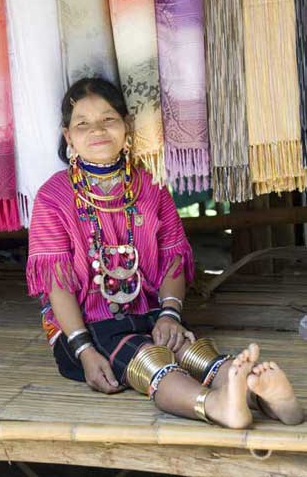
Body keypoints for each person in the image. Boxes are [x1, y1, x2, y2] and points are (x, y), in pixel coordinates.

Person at [27, 77, 304, 428]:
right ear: (68, 136)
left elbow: (173, 259)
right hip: (87, 329)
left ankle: (264, 396)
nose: (96, 129)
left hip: (150, 314)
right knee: (152, 362)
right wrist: (84, 351)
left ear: (126, 126)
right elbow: (57, 284)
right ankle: (217, 406)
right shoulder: (52, 198)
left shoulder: (151, 187)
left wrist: (169, 316)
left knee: (195, 354)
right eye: (82, 123)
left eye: (108, 118)